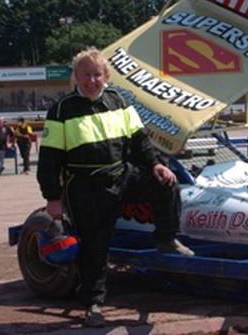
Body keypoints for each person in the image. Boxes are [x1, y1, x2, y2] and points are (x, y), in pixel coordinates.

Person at [37, 47, 193, 328]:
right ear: (76, 77)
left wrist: (156, 164)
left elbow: (139, 140)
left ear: (106, 76)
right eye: (85, 75)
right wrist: (53, 199)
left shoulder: (119, 100)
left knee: (166, 183)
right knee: (95, 250)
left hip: (123, 175)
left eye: (96, 74)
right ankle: (93, 305)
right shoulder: (61, 110)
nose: (91, 80)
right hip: (87, 188)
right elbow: (49, 160)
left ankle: (166, 238)